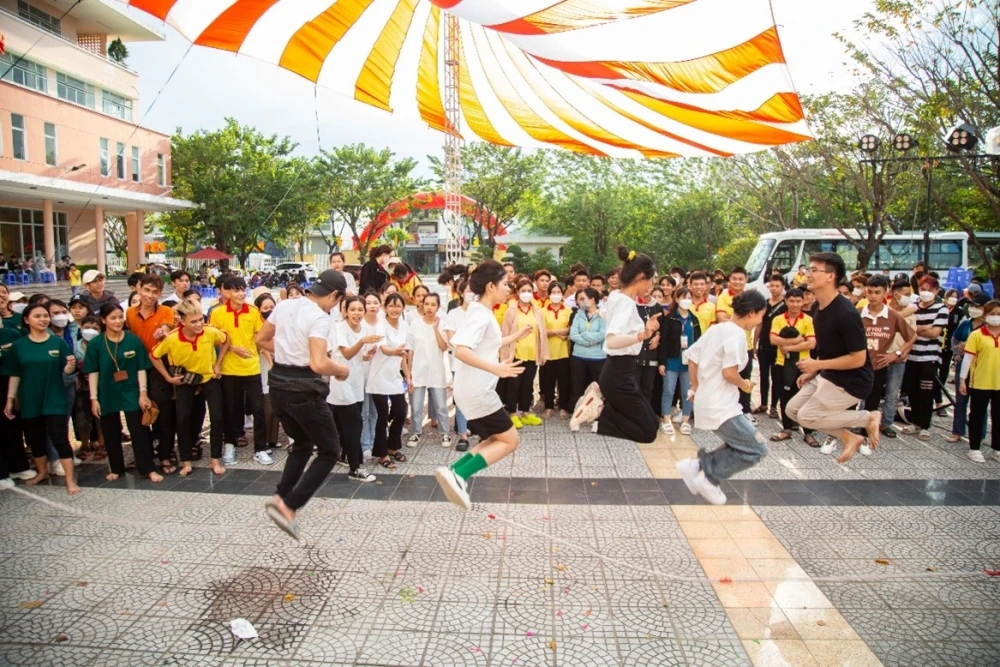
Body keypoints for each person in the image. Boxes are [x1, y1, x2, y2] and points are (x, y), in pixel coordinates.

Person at [255, 270, 349, 538]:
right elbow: (319, 363)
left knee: (303, 443)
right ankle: (289, 506)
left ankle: (280, 497)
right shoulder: (320, 318)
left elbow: (261, 339)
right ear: (333, 295)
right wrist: (342, 370)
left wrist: (287, 350)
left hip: (278, 388)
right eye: (337, 301)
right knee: (330, 450)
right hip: (303, 391)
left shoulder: (284, 305)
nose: (334, 307)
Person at [434, 260, 531, 510]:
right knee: (510, 441)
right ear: (490, 286)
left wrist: (515, 337)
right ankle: (459, 475)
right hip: (477, 391)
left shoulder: (481, 311)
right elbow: (462, 349)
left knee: (494, 438)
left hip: (473, 390)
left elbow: (488, 342)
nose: (509, 288)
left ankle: (454, 471)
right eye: (505, 284)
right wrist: (495, 368)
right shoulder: (480, 314)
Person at [675, 291, 768, 504]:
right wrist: (745, 384)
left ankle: (699, 466)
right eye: (761, 315)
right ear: (752, 312)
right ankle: (709, 476)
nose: (760, 321)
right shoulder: (736, 334)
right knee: (757, 449)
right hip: (721, 405)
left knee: (741, 444)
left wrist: (696, 387)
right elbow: (729, 373)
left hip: (711, 401)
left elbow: (691, 357)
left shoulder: (717, 329)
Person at [786, 253, 879, 463]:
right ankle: (850, 437)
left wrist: (817, 364)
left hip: (852, 381)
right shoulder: (818, 307)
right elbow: (828, 347)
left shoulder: (847, 314)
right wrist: (814, 371)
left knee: (807, 416)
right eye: (809, 269)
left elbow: (858, 359)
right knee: (792, 410)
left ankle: (868, 417)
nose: (808, 274)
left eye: (814, 270)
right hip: (828, 374)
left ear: (831, 276)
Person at [570, 246, 660, 443]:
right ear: (642, 277)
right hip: (618, 375)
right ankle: (600, 411)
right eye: (652, 279)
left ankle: (600, 410)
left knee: (653, 423)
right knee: (648, 433)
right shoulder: (624, 302)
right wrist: (641, 334)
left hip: (621, 372)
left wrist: (643, 329)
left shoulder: (618, 297)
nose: (653, 285)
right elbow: (612, 340)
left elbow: (605, 314)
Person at [3, 303, 80, 494]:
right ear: (27, 320)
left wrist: (70, 366)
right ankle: (42, 471)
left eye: (45, 316)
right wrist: (10, 399)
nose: (43, 319)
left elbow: (67, 369)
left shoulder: (57, 343)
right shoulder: (19, 346)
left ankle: (71, 479)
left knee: (59, 437)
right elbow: (15, 374)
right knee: (34, 438)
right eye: (37, 316)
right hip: (30, 399)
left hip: (54, 398)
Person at [150, 300, 229, 477]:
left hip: (209, 377)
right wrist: (168, 377)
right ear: (182, 321)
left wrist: (218, 363)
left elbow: (225, 339)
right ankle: (186, 461)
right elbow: (154, 355)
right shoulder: (172, 338)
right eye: (194, 321)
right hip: (186, 380)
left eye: (200, 319)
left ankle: (215, 459)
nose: (199, 324)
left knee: (217, 417)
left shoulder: (209, 332)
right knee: (183, 419)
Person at [85, 303, 162, 483]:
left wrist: (143, 393)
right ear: (103, 320)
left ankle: (148, 468)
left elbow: (141, 368)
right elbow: (93, 372)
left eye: (120, 317)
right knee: (111, 431)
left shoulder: (132, 340)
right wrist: (93, 398)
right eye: (113, 318)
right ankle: (116, 467)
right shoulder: (96, 344)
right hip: (107, 392)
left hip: (131, 390)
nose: (118, 321)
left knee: (139, 430)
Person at [210, 276, 270, 466]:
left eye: (243, 289)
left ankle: (260, 448)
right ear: (226, 292)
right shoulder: (217, 313)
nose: (240, 293)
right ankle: (229, 445)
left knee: (258, 408)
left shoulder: (252, 312)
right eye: (236, 290)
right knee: (231, 409)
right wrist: (232, 348)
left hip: (251, 368)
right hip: (229, 369)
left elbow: (260, 336)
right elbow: (214, 339)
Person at [126, 274, 178, 474]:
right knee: (138, 413)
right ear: (138, 289)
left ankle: (165, 453)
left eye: (154, 292)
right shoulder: (130, 313)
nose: (149, 295)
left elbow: (167, 326)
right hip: (134, 367)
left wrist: (163, 332)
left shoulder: (165, 311)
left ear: (160, 294)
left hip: (158, 367)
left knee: (163, 413)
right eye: (146, 290)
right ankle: (145, 454)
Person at [860, 274, 917, 442]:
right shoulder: (858, 313)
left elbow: (912, 337)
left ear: (886, 293)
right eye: (869, 292)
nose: (873, 296)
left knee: (873, 401)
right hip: (857, 365)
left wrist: (896, 354)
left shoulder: (893, 316)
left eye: (877, 292)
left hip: (878, 365)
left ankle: (867, 433)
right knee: (851, 399)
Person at [328, 295, 378, 481]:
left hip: (357, 381)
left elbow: (359, 356)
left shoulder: (362, 328)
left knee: (344, 422)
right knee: (354, 424)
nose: (357, 313)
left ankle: (342, 455)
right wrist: (363, 342)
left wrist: (369, 353)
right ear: (345, 311)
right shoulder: (339, 329)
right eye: (353, 310)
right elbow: (347, 353)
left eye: (360, 309)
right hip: (342, 381)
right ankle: (355, 468)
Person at [899, 276, 949, 440]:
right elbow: (900, 322)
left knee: (926, 391)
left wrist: (914, 328)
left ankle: (925, 426)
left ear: (936, 291)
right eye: (923, 289)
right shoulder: (913, 307)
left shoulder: (942, 309)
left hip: (929, 357)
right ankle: (915, 421)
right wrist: (922, 327)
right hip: (911, 356)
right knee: (912, 390)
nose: (926, 293)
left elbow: (935, 333)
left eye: (929, 289)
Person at [768, 289, 818, 446]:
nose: (795, 304)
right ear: (786, 301)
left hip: (803, 364)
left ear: (803, 301)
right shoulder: (778, 319)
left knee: (806, 398)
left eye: (798, 301)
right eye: (791, 301)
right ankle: (786, 429)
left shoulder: (808, 320)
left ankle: (808, 432)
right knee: (784, 397)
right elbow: (773, 340)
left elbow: (811, 343)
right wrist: (797, 340)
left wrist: (788, 347)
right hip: (781, 363)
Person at [367, 293, 411, 469]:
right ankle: (382, 453)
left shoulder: (405, 326)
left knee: (400, 411)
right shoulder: (380, 325)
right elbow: (384, 348)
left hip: (394, 375)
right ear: (385, 308)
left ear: (403, 308)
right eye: (391, 306)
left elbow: (404, 355)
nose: (395, 309)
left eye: (398, 306)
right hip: (378, 375)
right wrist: (396, 352)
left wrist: (407, 376)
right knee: (382, 415)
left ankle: (393, 448)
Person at [501, 278, 548, 428]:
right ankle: (513, 413)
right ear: (517, 292)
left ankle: (525, 411)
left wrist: (543, 354)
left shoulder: (537, 311)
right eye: (523, 291)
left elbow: (542, 334)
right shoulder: (511, 311)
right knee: (514, 385)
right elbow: (505, 334)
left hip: (532, 353)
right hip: (516, 354)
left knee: (528, 384)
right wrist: (506, 357)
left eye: (529, 291)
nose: (526, 294)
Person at [406, 293, 451, 446]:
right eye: (427, 304)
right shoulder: (415, 324)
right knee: (416, 405)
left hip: (436, 370)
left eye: (433, 304)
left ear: (438, 307)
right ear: (422, 305)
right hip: (418, 370)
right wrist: (409, 372)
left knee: (441, 405)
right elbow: (410, 349)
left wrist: (436, 329)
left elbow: (444, 347)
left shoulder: (442, 324)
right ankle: (416, 432)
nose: (429, 307)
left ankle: (445, 433)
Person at [959, 300, 1000, 463]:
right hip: (980, 383)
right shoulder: (976, 335)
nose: (996, 317)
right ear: (985, 315)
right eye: (992, 314)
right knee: (977, 415)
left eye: (998, 314)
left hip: (998, 383)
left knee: (998, 417)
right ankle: (974, 448)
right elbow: (968, 360)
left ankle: (997, 448)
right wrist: (962, 380)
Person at [657, 287, 701, 435]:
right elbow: (663, 342)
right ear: (677, 300)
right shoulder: (670, 318)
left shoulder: (693, 320)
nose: (686, 300)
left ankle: (686, 420)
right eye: (683, 297)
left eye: (689, 297)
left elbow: (699, 342)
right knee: (668, 390)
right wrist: (662, 362)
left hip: (688, 363)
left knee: (687, 392)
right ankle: (666, 419)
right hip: (672, 360)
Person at [949, 293, 990, 443]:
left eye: (977, 306)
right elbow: (954, 339)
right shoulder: (966, 323)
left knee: (980, 403)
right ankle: (957, 431)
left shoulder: (989, 326)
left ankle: (979, 433)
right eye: (972, 306)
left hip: (981, 367)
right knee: (961, 400)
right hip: (963, 366)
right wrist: (956, 353)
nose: (973, 309)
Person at [715, 267, 755, 416]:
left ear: (746, 280)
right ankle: (726, 411)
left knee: (745, 378)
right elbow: (721, 319)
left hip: (747, 345)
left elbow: (754, 320)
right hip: (728, 345)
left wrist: (733, 319)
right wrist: (743, 321)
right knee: (727, 378)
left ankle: (746, 411)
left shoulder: (750, 297)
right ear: (729, 280)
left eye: (741, 279)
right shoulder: (724, 296)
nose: (737, 282)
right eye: (734, 279)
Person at [442, 281, 474, 452]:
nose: (472, 294)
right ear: (461, 293)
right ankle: (462, 434)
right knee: (461, 397)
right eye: (469, 291)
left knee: (477, 395)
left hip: (479, 362)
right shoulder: (453, 314)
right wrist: (468, 347)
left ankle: (478, 428)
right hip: (459, 362)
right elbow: (452, 339)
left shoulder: (481, 313)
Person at [568, 287, 606, 411]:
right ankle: (576, 412)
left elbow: (602, 334)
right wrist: (588, 341)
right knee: (576, 387)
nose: (580, 301)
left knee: (597, 388)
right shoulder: (578, 314)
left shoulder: (602, 315)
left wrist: (585, 335)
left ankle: (595, 413)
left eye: (583, 299)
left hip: (598, 357)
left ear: (592, 300)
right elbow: (573, 335)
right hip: (579, 356)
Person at [755, 275, 787, 419]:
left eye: (777, 286)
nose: (774, 289)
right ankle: (763, 403)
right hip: (764, 343)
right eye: (771, 286)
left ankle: (774, 406)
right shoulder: (764, 304)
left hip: (779, 345)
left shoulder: (787, 305)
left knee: (777, 376)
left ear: (783, 287)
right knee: (763, 375)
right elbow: (759, 324)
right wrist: (755, 341)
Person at [254, 293, 282, 452]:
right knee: (267, 407)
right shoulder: (257, 326)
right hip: (263, 369)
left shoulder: (279, 325)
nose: (269, 311)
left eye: (272, 307)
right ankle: (262, 440)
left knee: (275, 406)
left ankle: (273, 439)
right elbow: (258, 345)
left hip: (278, 369)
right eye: (265, 308)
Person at [540, 282, 572, 419]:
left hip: (564, 352)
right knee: (548, 381)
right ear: (549, 294)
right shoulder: (542, 311)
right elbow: (541, 331)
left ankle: (564, 407)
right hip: (548, 351)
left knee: (564, 381)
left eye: (559, 292)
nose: (556, 295)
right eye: (553, 292)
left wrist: (553, 331)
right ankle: (548, 407)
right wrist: (559, 332)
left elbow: (570, 329)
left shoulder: (568, 310)